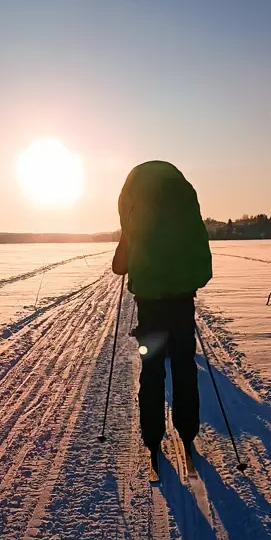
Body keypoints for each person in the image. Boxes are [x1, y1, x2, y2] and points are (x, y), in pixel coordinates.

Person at [112, 160, 212, 479]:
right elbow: (203, 264)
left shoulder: (136, 214)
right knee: (184, 365)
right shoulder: (186, 213)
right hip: (182, 304)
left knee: (152, 369)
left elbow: (118, 266)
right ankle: (187, 431)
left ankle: (152, 438)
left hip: (150, 306)